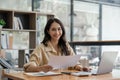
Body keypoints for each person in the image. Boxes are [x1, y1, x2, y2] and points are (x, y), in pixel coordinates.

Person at [24, 18, 90, 72]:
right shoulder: (41, 48)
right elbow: (29, 66)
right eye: (53, 29)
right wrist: (40, 68)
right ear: (48, 31)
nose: (57, 32)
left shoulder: (66, 45)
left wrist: (80, 67)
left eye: (59, 29)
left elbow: (75, 62)